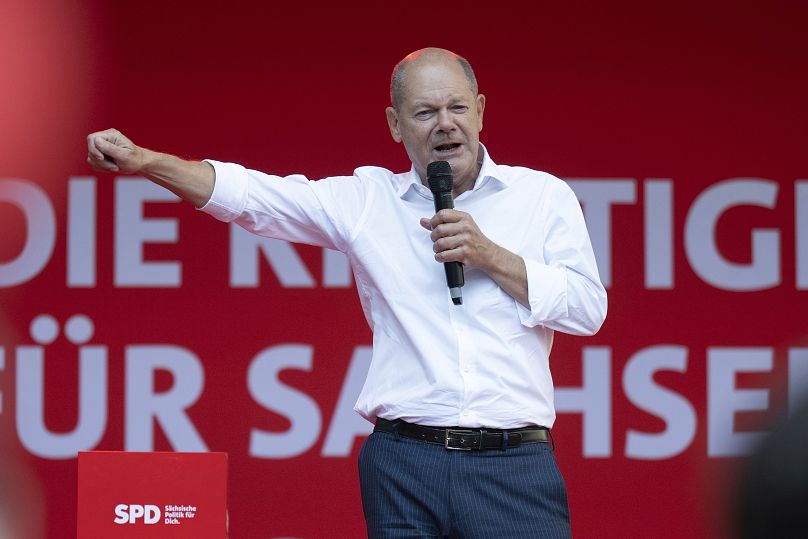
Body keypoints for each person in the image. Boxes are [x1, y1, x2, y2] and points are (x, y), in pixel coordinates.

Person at [87, 47, 607, 538]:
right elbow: (253, 197)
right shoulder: (368, 201)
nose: (446, 124)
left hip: (513, 462)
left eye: (457, 108)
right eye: (425, 112)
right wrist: (144, 161)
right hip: (407, 461)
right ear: (394, 125)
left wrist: (491, 256)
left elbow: (588, 310)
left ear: (481, 111)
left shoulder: (541, 196)